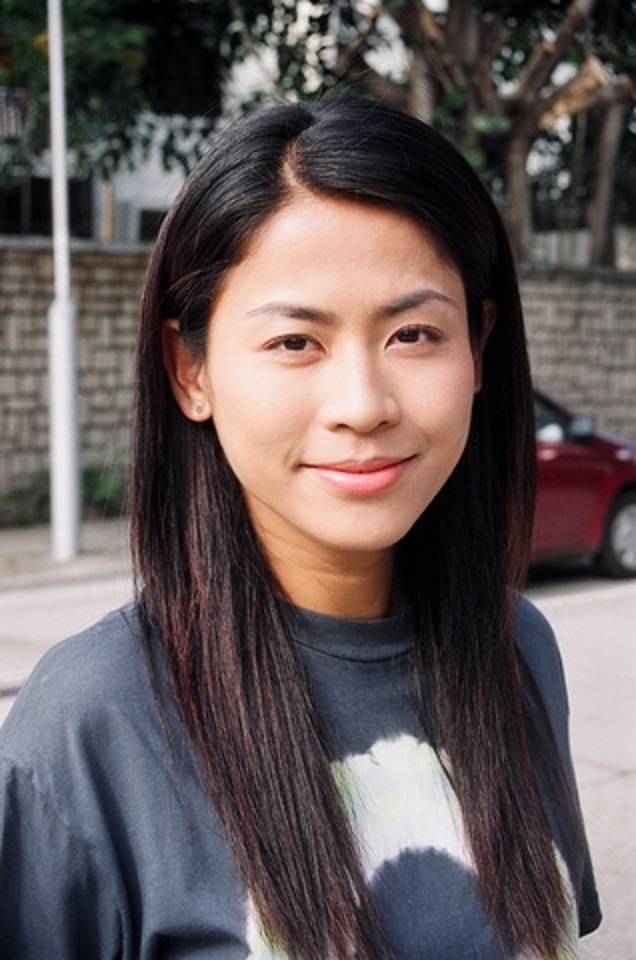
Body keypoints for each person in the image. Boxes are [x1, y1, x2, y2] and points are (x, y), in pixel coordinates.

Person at [0, 96, 600, 959]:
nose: (362, 404)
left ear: (478, 347)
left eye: (414, 333)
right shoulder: (93, 722)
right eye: (294, 342)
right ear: (191, 370)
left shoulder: (519, 649)